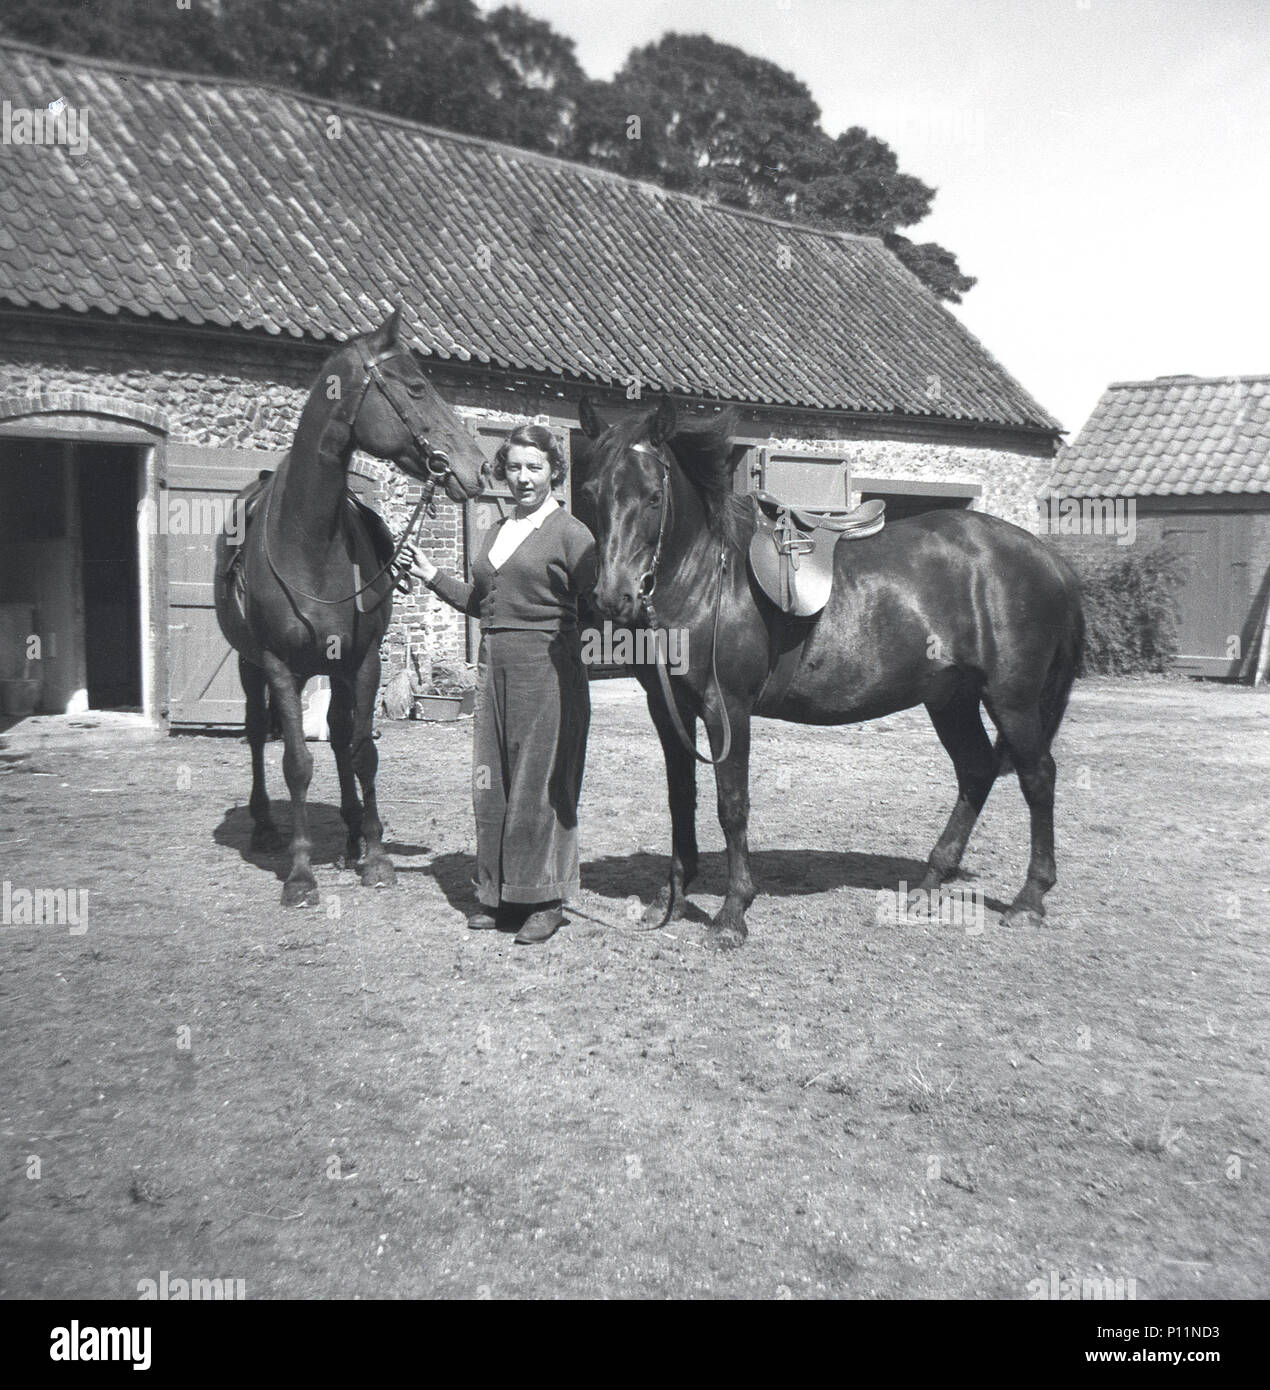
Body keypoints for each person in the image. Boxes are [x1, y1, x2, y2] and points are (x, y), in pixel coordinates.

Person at [408, 424, 597, 944]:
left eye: (534, 467)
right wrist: (432, 576)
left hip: (549, 669)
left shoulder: (572, 533)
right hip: (495, 663)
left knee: (539, 785)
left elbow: (601, 604)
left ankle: (545, 899)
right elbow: (483, 603)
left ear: (554, 472)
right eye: (514, 466)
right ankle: (499, 895)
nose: (523, 477)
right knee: (493, 783)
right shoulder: (495, 530)